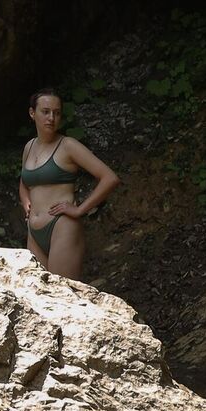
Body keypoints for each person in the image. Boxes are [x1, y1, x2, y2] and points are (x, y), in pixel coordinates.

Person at [17, 88, 120, 280]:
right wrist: (26, 202)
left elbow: (110, 178)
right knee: (37, 297)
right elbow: (24, 181)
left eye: (56, 113)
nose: (51, 118)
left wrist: (80, 210)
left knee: (61, 296)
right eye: (45, 112)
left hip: (61, 226)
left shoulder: (68, 146)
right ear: (32, 113)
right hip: (34, 230)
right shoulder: (29, 147)